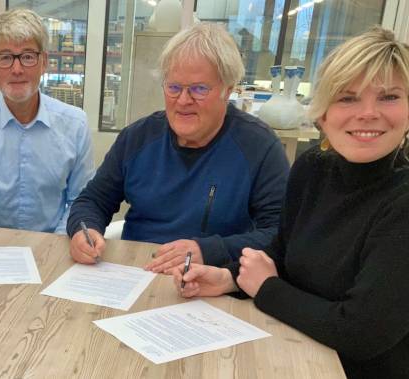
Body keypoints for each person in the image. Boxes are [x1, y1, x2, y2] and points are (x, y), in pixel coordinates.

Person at [171, 27, 409, 378]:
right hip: (292, 349)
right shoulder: (313, 168)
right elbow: (283, 254)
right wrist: (229, 278)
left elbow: (361, 332)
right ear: (322, 113)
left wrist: (266, 288)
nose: (368, 113)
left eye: (388, 97)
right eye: (347, 98)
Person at [67, 23, 288, 269]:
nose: (183, 101)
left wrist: (209, 251)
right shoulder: (138, 138)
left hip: (212, 280)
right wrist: (82, 230)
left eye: (199, 89)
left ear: (228, 90)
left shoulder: (259, 147)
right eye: (174, 87)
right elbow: (93, 200)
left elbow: (279, 234)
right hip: (137, 272)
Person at [0, 9, 94, 251]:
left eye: (28, 56)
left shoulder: (75, 124)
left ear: (44, 62)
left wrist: (57, 244)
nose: (17, 69)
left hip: (54, 246)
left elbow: (81, 200)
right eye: (6, 57)